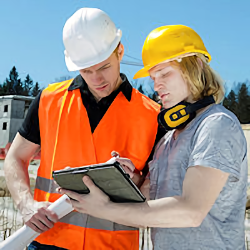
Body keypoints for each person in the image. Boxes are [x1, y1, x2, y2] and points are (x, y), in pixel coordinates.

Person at [60, 25, 248, 250]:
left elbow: (191, 211)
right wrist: (134, 180)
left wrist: (104, 209)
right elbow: (153, 200)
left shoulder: (216, 124)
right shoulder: (168, 139)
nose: (156, 85)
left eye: (165, 73)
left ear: (196, 66)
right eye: (153, 77)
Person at [4, 8, 163, 250]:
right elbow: (15, 157)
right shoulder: (49, 100)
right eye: (86, 70)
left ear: (120, 51)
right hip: (48, 242)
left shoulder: (152, 115)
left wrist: (135, 180)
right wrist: (26, 205)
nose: (97, 79)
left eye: (104, 67)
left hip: (113, 246)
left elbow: (156, 188)